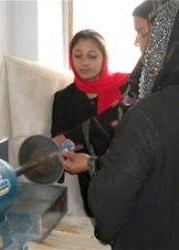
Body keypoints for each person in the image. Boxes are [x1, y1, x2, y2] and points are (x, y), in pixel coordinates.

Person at [59, 0, 179, 249]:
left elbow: (110, 201)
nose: (141, 45)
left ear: (169, 45)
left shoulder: (149, 115)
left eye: (150, 37)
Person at [51, 29, 130, 215]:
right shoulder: (64, 98)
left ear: (104, 58)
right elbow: (59, 142)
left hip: (128, 171)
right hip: (91, 180)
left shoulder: (126, 87)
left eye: (92, 56)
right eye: (78, 56)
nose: (84, 62)